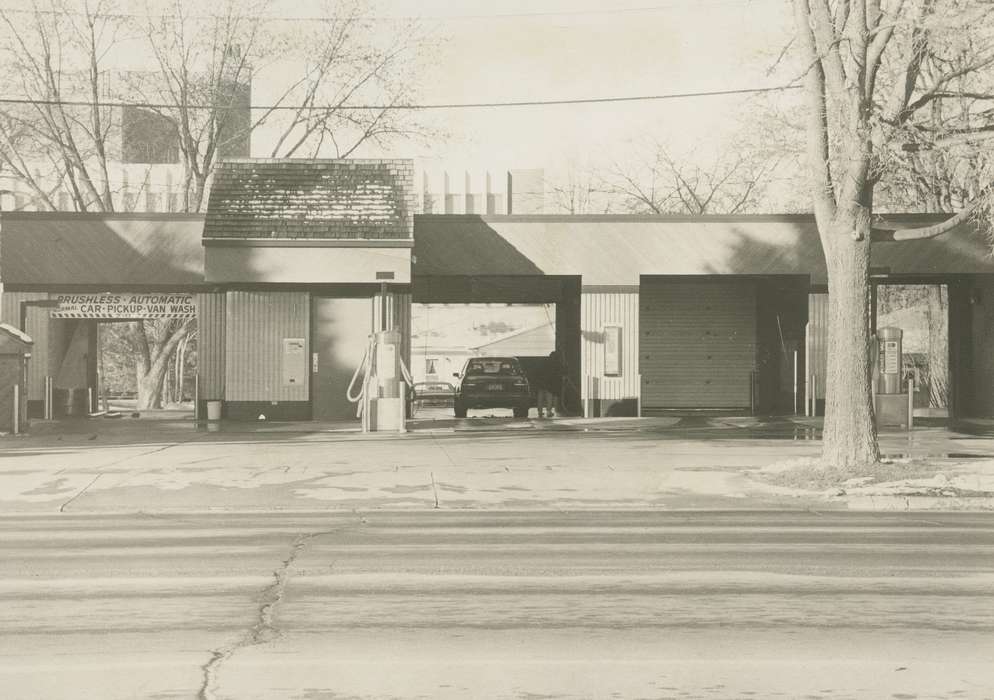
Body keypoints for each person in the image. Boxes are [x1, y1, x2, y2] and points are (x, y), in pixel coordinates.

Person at [536, 350, 563, 418]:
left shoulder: (544, 362)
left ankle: (539, 411)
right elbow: (560, 371)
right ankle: (548, 412)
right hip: (549, 383)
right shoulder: (556, 363)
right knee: (549, 397)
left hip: (541, 382)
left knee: (540, 397)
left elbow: (538, 371)